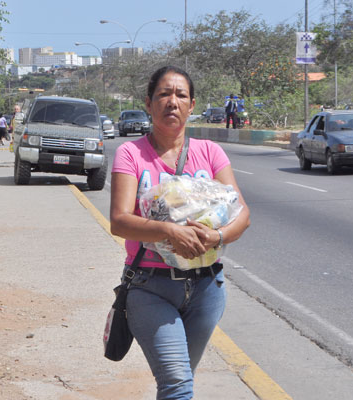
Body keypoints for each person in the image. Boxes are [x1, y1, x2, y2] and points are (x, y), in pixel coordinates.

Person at [110, 65, 250, 399]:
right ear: (149, 102)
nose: (172, 101)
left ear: (191, 105)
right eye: (163, 94)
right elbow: (118, 221)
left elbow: (241, 214)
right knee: (177, 383)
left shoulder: (210, 152)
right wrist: (169, 232)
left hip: (207, 289)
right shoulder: (130, 154)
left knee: (180, 379)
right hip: (150, 286)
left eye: (180, 95)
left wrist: (216, 238)